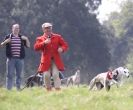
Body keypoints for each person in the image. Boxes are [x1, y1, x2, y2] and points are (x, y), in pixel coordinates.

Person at [34, 22, 68, 91]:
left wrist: (62, 49)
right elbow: (36, 48)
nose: (48, 29)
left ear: (51, 28)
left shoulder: (57, 37)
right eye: (46, 28)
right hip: (46, 61)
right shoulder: (40, 38)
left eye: (49, 28)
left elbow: (65, 45)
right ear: (43, 29)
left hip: (55, 60)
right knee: (46, 75)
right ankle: (48, 90)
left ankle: (57, 90)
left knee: (56, 74)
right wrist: (44, 43)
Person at [0, 24, 30, 90]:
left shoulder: (21, 37)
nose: (16, 29)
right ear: (12, 29)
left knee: (19, 75)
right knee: (10, 75)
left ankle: (18, 89)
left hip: (20, 59)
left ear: (19, 29)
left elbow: (28, 46)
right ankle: (9, 89)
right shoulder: (8, 37)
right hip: (11, 59)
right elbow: (1, 45)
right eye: (15, 28)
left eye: (18, 28)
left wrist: (27, 39)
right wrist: (6, 41)